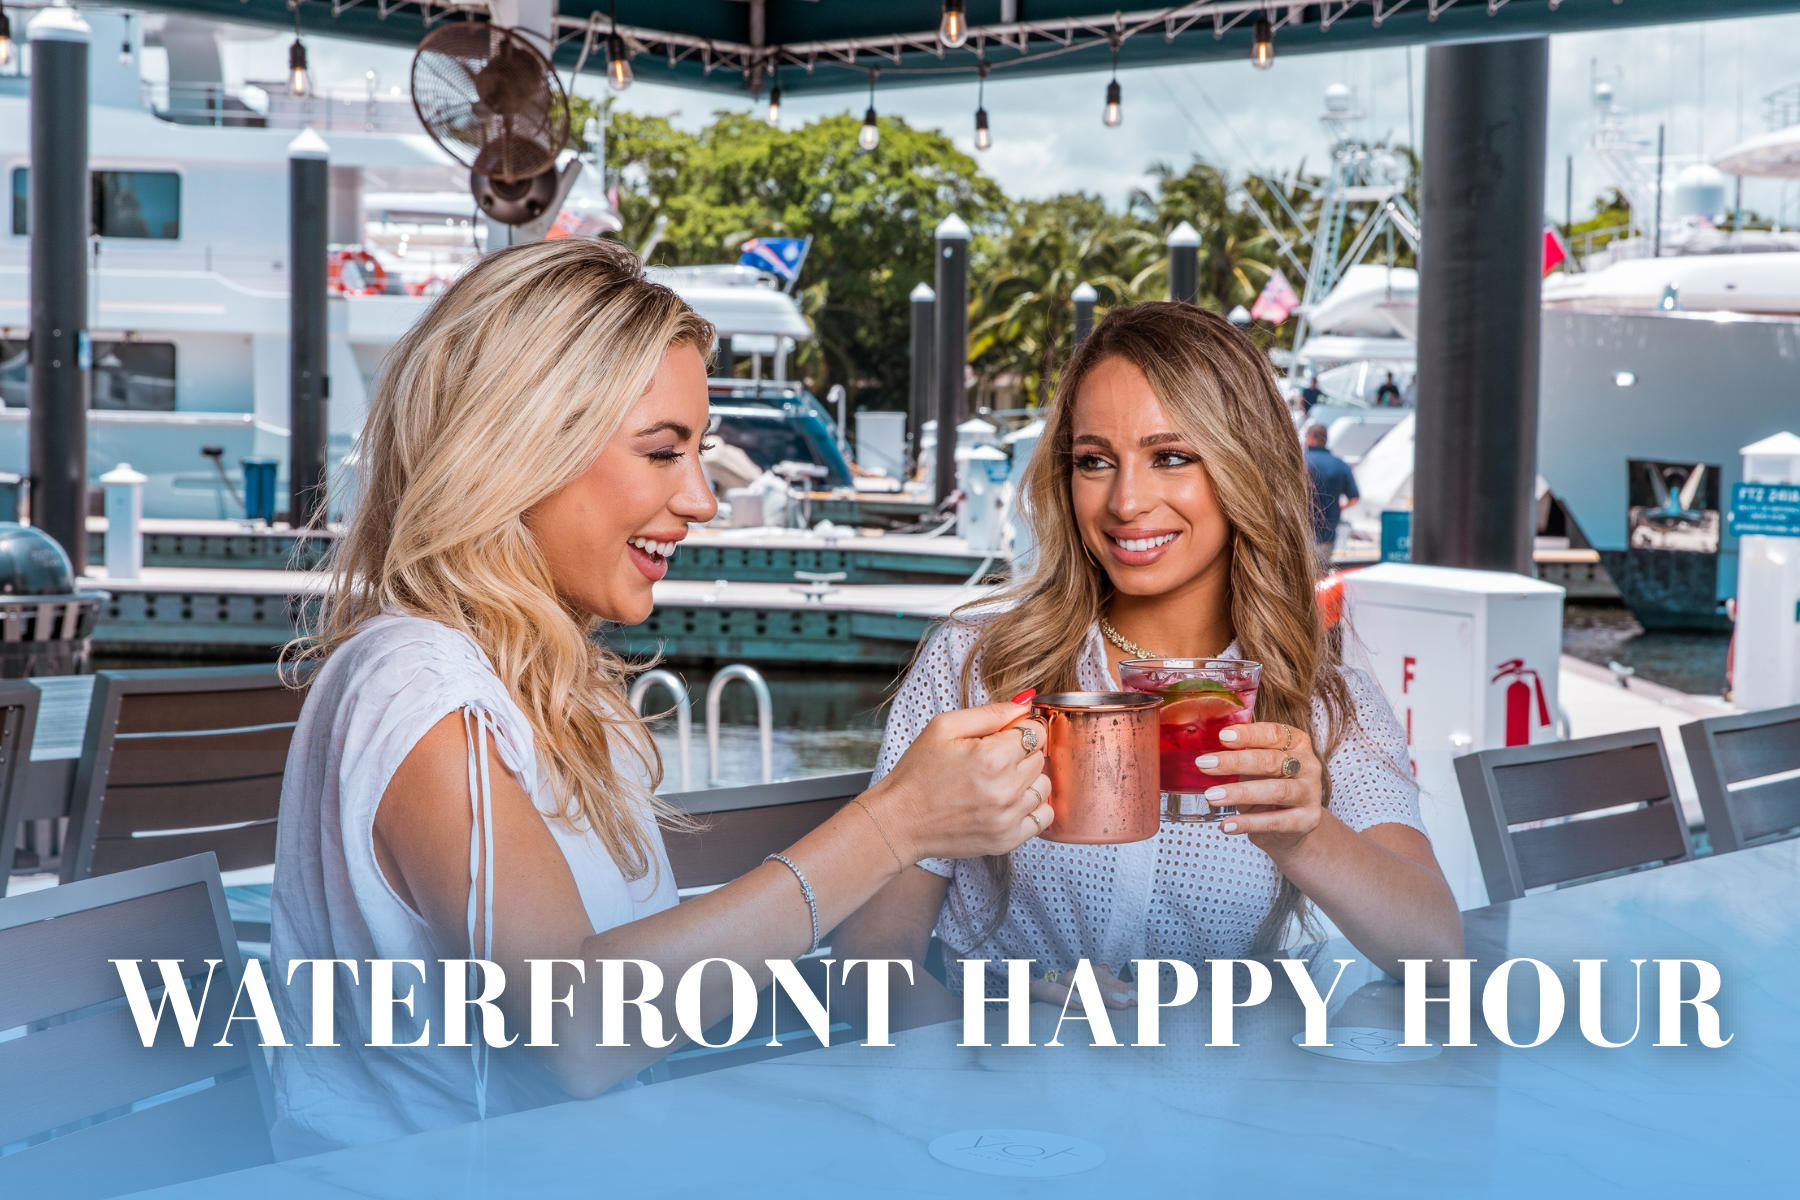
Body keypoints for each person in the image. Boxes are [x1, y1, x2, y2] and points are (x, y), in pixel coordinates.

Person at [268, 239, 1053, 1153]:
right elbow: (579, 1031)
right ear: (520, 447)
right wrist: (896, 826)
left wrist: (978, 1016)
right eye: (663, 452)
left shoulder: (548, 689)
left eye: (698, 453)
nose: (703, 499)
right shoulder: (417, 686)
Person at [834, 302, 1460, 1017]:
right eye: (1094, 461)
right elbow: (865, 970)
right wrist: (1000, 1032)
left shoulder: (1321, 702)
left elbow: (1437, 949)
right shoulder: (977, 665)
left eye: (1171, 457)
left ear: (1247, 465)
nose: (1126, 502)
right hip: (1003, 1079)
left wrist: (1305, 834)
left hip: (1220, 1078)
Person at [1304, 422, 1359, 573]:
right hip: (1327, 535)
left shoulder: (1300, 460)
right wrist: (1341, 506)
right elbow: (1354, 498)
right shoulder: (1339, 464)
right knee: (1320, 577)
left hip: (1301, 532)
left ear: (1311, 437)